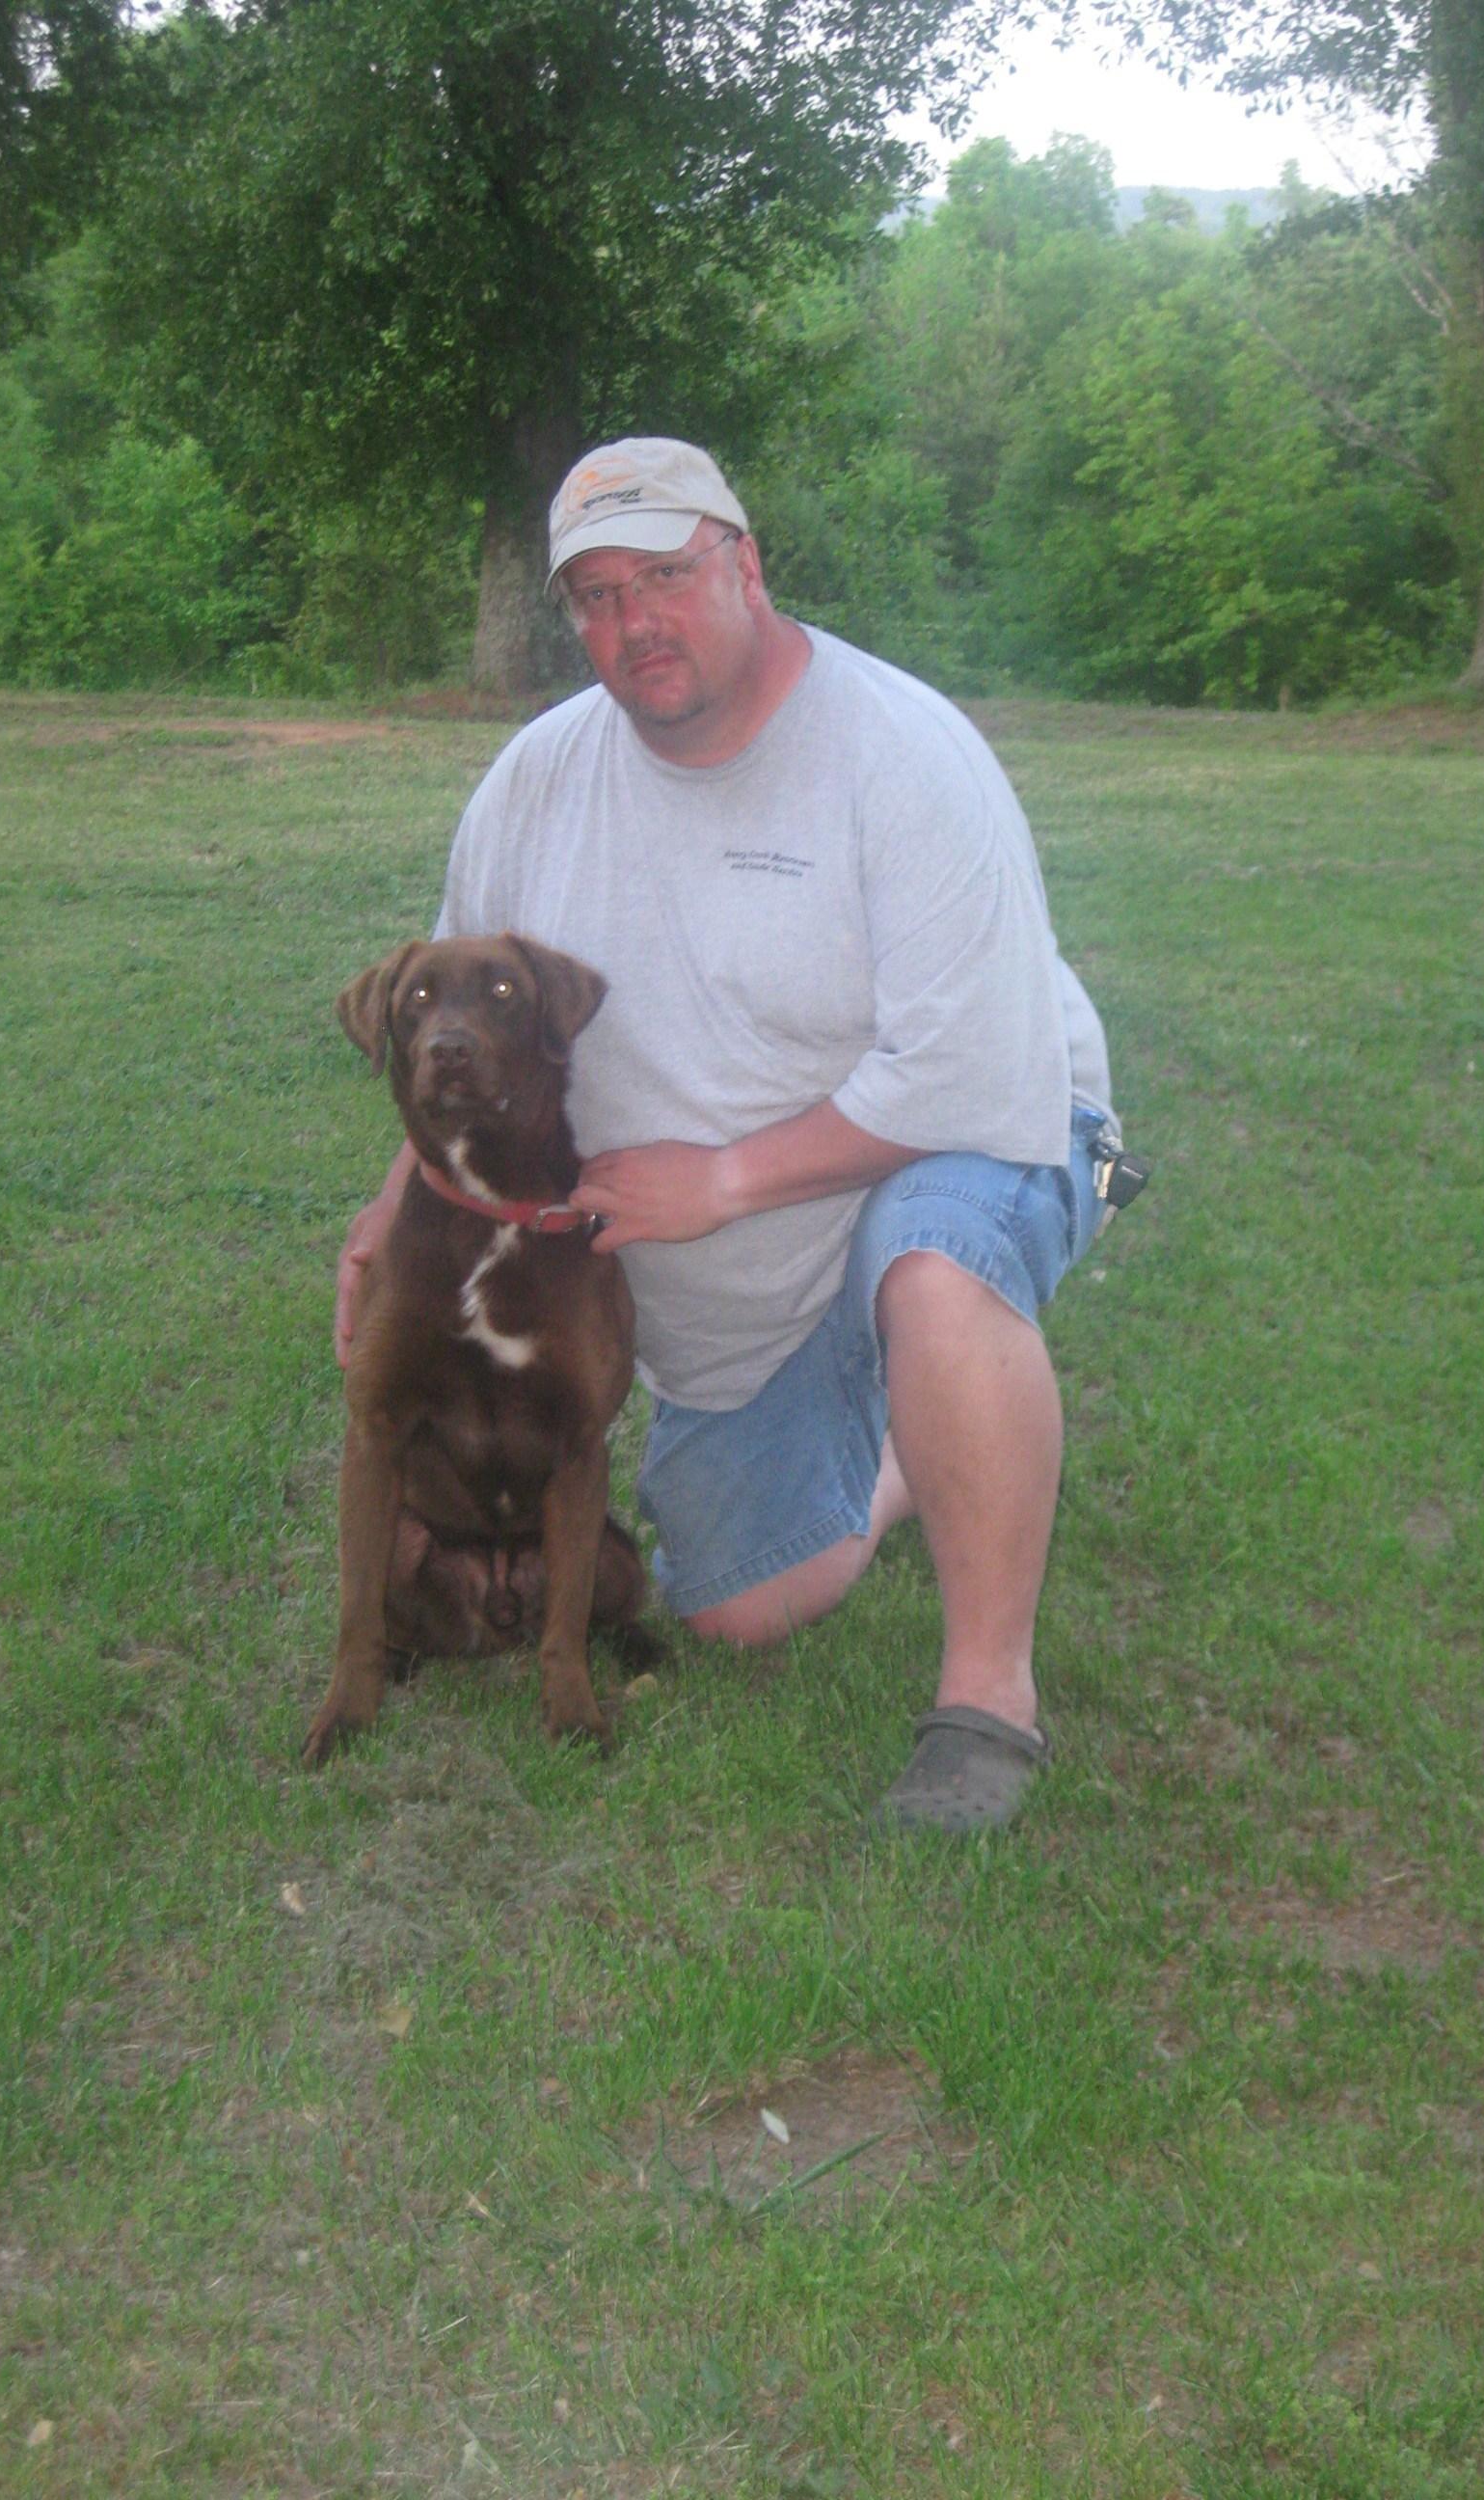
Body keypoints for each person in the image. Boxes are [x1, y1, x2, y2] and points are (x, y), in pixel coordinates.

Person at [335, 437, 1117, 1832]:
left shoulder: (906, 756)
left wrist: (726, 1177)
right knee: (741, 1603)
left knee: (930, 1258)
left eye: (667, 576)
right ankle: (910, 1451)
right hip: (754, 1282)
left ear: (746, 566)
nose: (632, 623)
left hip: (985, 1123)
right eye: (593, 595)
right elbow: (471, 1041)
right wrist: (404, 1197)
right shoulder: (532, 782)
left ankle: (988, 1705)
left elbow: (966, 1068)